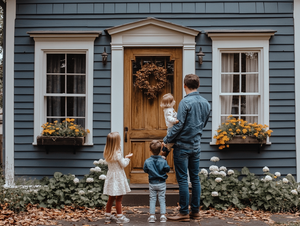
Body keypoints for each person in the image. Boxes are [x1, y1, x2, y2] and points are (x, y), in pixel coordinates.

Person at [163, 74, 210, 222]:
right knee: (195, 179)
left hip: (182, 146)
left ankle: (183, 212)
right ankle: (195, 211)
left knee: (183, 179)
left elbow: (179, 125)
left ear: (184, 86)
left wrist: (167, 140)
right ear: (198, 85)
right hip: (196, 145)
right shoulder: (206, 103)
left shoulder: (185, 102)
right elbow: (204, 123)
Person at [103, 132, 133, 224]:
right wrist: (127, 158)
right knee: (119, 198)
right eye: (119, 140)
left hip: (111, 177)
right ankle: (120, 216)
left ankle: (107, 216)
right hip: (118, 177)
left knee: (111, 198)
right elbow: (123, 164)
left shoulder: (107, 151)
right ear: (116, 142)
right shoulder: (118, 153)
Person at [143, 140, 170, 223]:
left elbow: (145, 170)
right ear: (160, 150)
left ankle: (152, 216)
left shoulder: (147, 161)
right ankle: (162, 216)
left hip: (152, 183)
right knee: (162, 199)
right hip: (161, 182)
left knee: (152, 199)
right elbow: (167, 169)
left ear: (149, 150)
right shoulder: (163, 160)